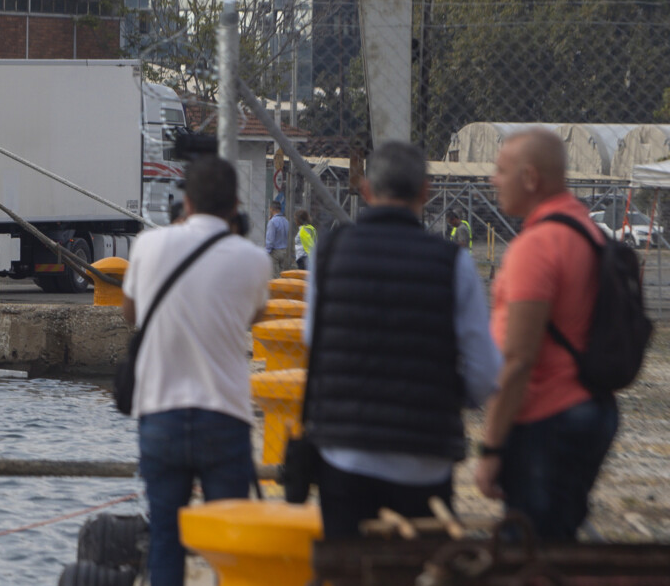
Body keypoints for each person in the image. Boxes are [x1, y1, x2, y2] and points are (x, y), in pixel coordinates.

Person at [120, 155, 270, 586]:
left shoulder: (148, 247)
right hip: (223, 417)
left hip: (159, 415)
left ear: (184, 202)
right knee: (233, 543)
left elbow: (131, 315)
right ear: (235, 207)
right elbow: (254, 315)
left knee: (164, 541)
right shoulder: (252, 260)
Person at [302, 142, 502, 540]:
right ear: (425, 191)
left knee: (349, 581)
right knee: (418, 582)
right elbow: (484, 372)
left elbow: (314, 341)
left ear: (365, 190)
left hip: (345, 453)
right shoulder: (453, 262)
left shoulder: (327, 253)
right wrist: (442, 395)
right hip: (424, 460)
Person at [473, 128, 621, 540]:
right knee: (559, 537)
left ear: (531, 178)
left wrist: (491, 450)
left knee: (530, 549)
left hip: (548, 418)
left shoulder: (536, 247)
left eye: (501, 171)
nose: (493, 180)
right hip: (589, 409)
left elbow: (518, 359)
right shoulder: (585, 232)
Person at [264, 200, 293, 274]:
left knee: (275, 276)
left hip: (275, 252)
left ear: (271, 209)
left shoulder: (272, 222)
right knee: (282, 275)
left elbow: (270, 239)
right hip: (284, 251)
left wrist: (267, 252)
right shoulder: (286, 221)